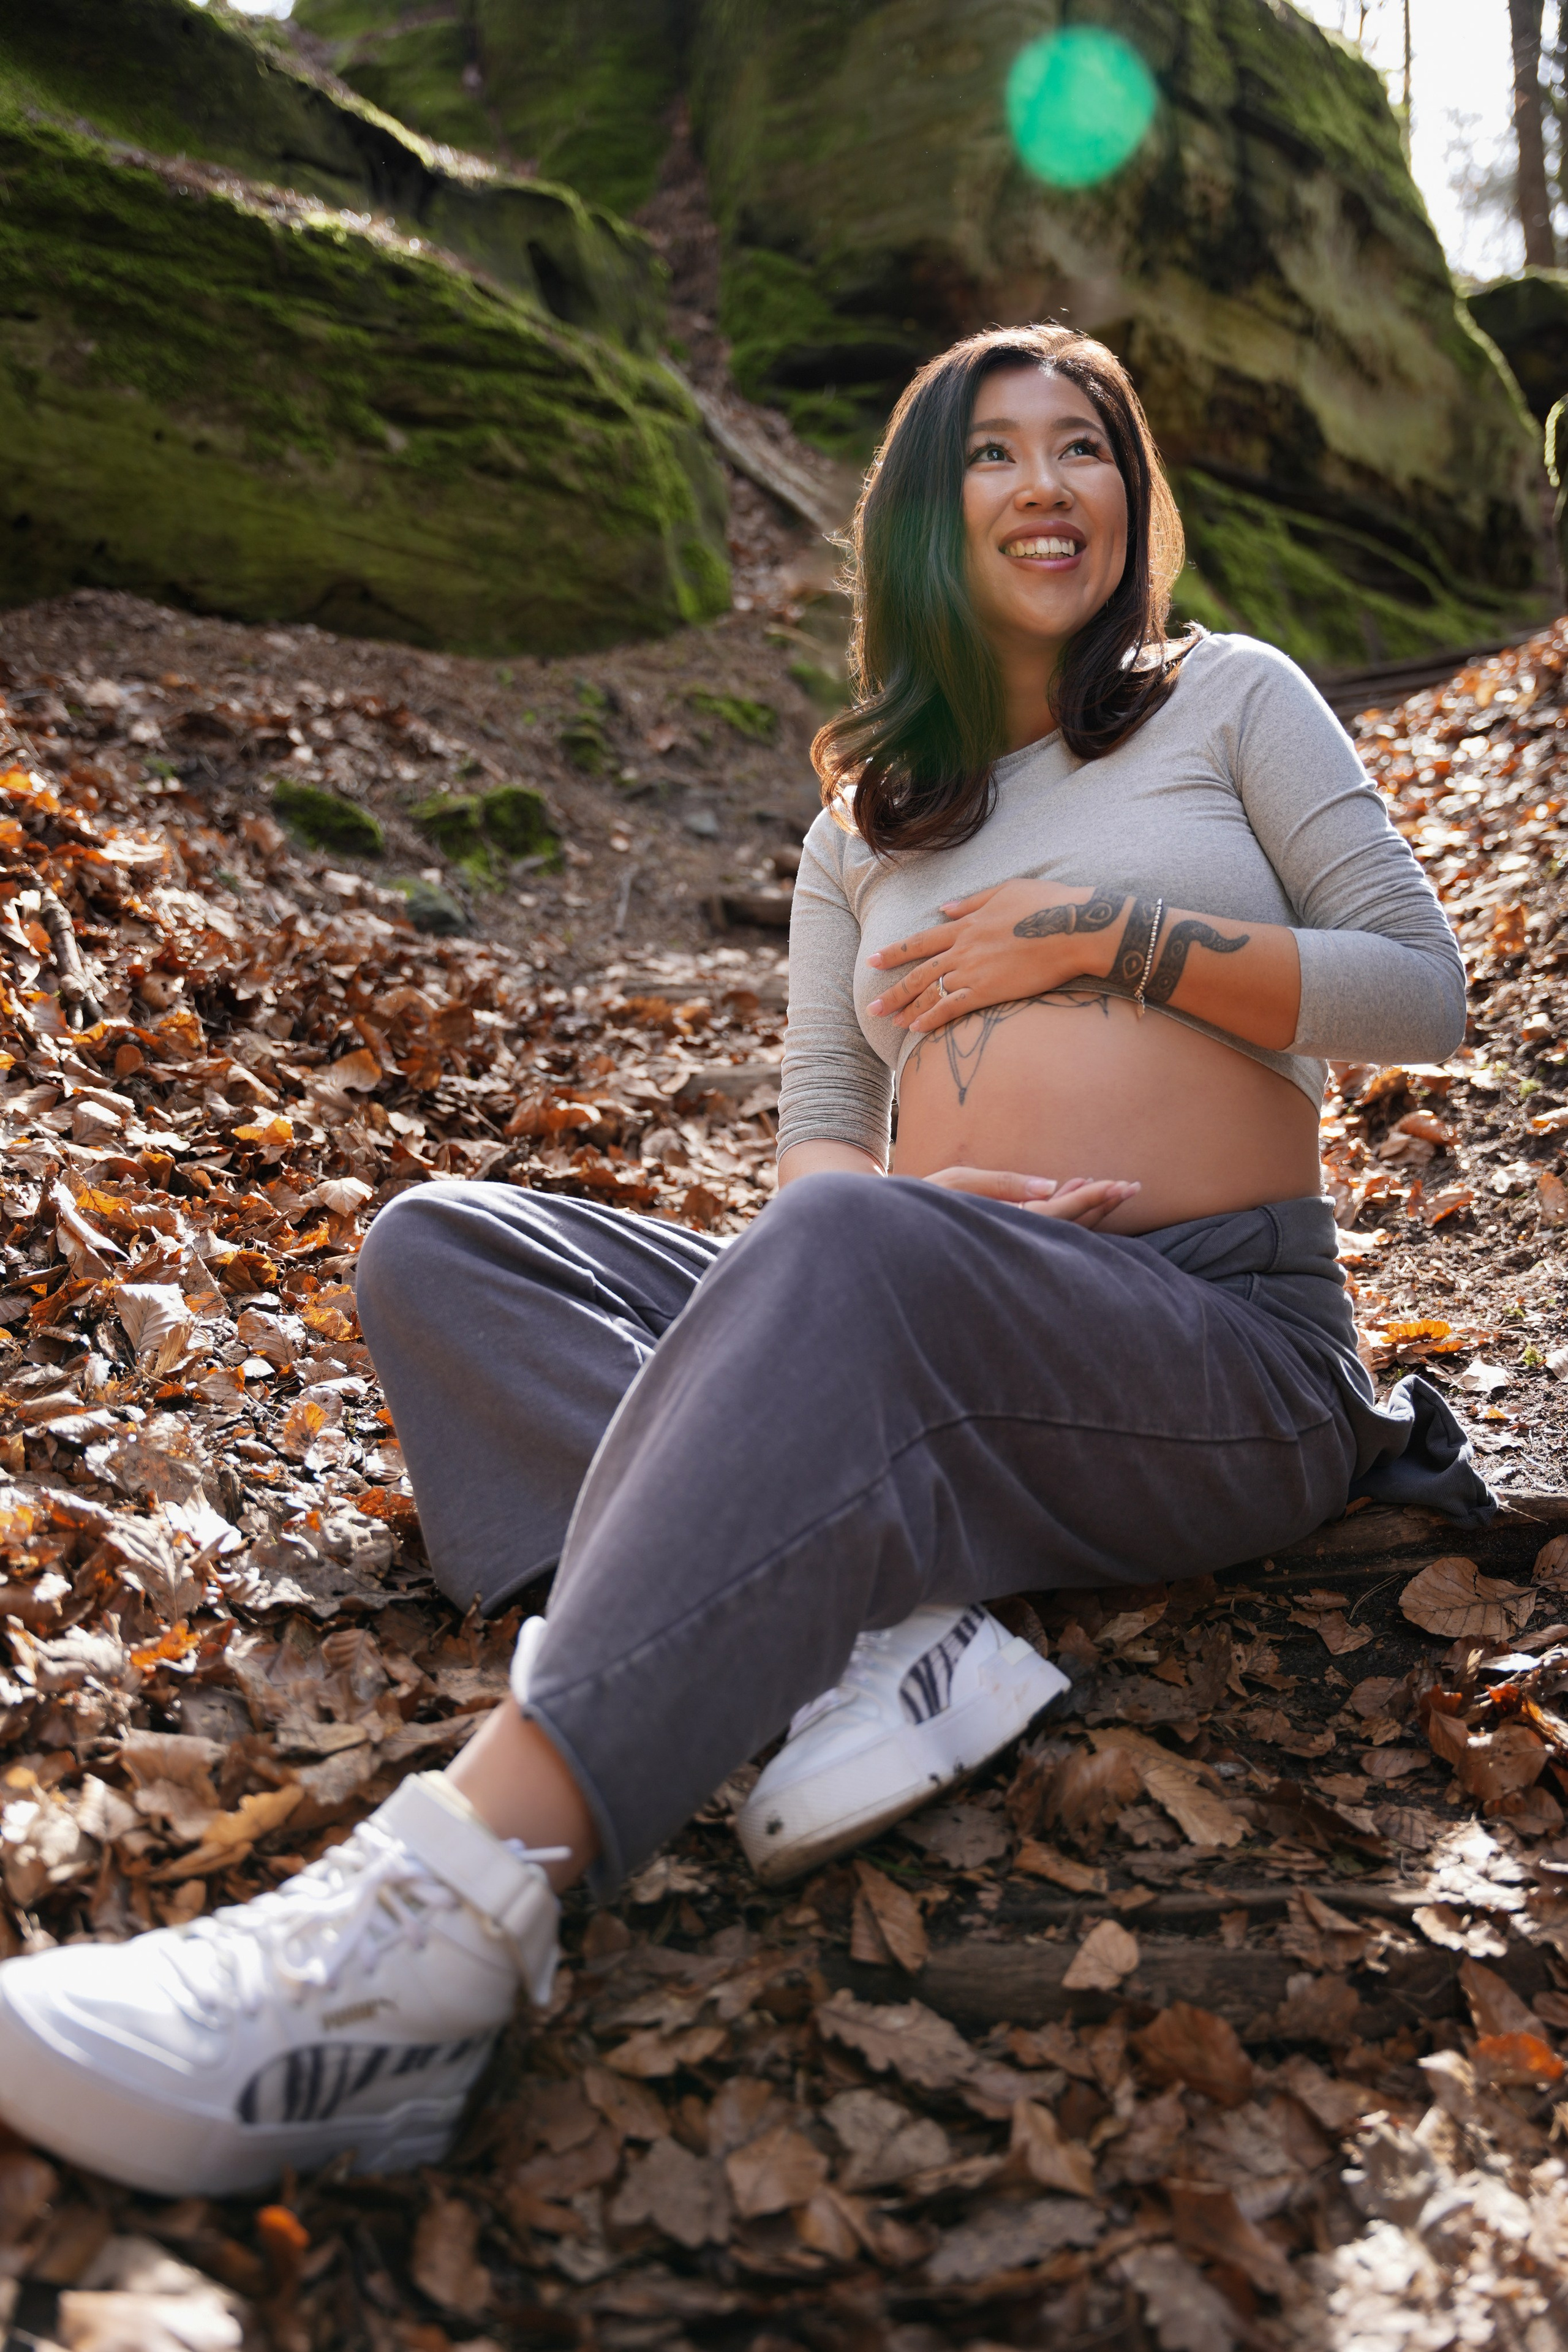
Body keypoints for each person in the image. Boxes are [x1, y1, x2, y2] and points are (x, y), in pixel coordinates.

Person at [0, 324, 1490, 2198]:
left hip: (1209, 1340)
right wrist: (910, 1228)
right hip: (923, 1321)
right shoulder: (861, 825)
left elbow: (1423, 995)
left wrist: (1106, 938)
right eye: (997, 455)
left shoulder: (1232, 700)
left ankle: (433, 1939)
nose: (1050, 487)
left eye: (1088, 448)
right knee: (442, 1249)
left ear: (1135, 496)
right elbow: (815, 1138)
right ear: (923, 521)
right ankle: (867, 1639)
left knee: (856, 1244)